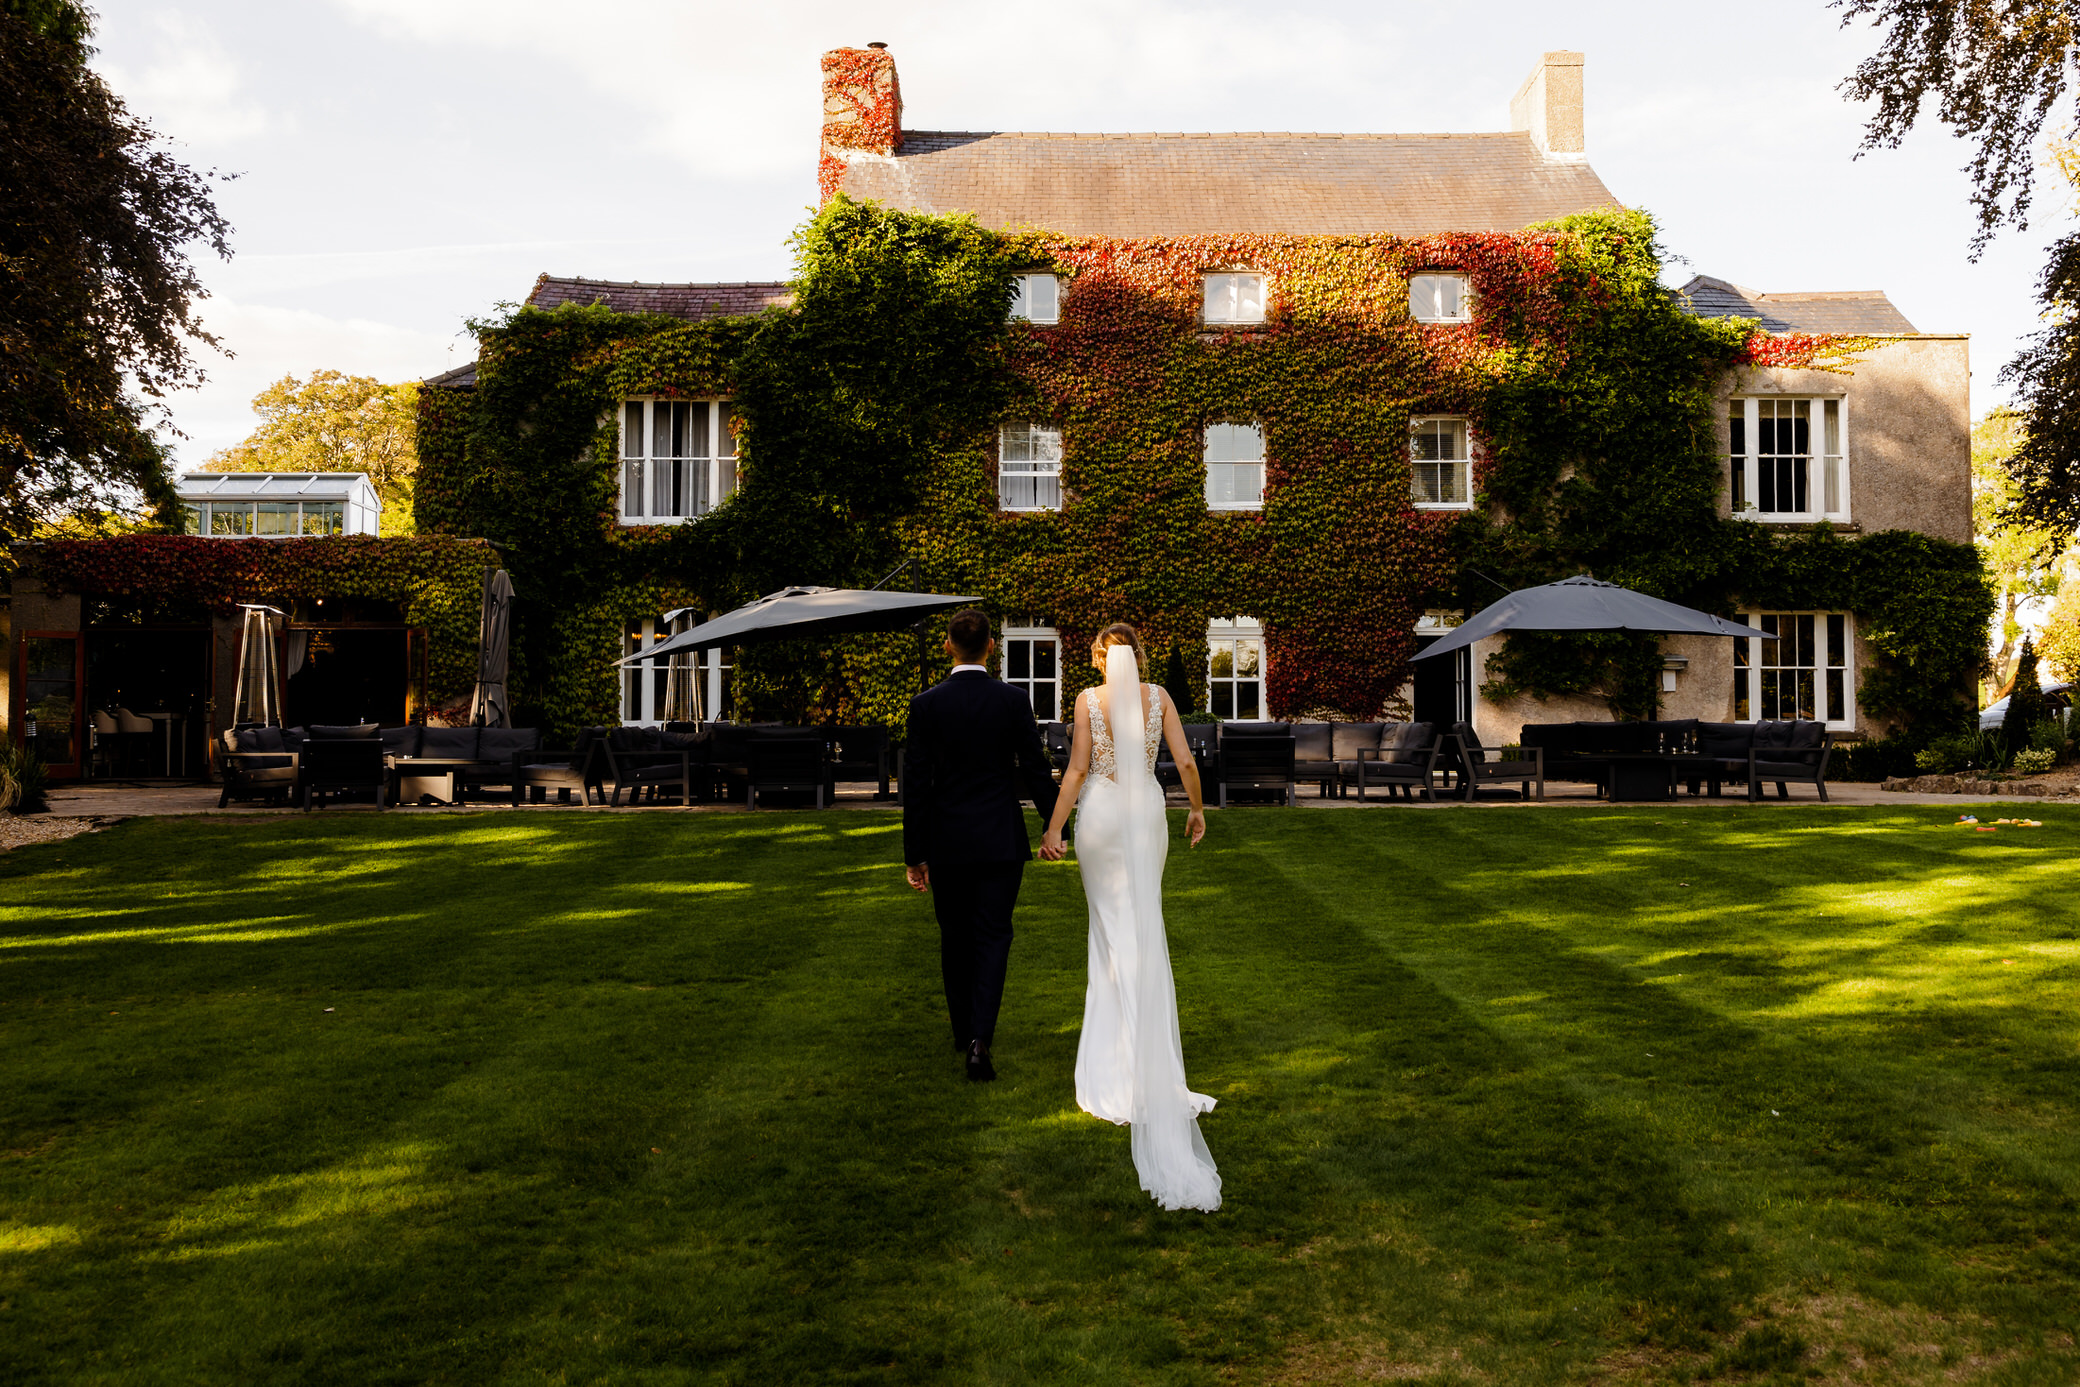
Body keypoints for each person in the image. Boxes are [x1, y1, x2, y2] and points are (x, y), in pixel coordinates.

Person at [1039, 623, 1221, 1212]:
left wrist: (1054, 827)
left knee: (1111, 936)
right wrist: (1195, 810)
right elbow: (1186, 761)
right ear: (1138, 655)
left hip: (1100, 817)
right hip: (1145, 814)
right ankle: (1150, 1066)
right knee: (1143, 927)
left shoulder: (1088, 700)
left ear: (1098, 659)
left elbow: (1074, 771)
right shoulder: (1160, 697)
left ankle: (1118, 1067)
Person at [902, 608, 1062, 1082]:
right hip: (999, 838)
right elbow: (1035, 769)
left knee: (955, 937)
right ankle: (980, 1039)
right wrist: (1058, 826)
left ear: (948, 646)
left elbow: (916, 784)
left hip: (947, 839)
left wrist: (916, 854)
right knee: (994, 934)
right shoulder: (1013, 700)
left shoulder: (925, 704)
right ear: (992, 647)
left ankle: (963, 1031)